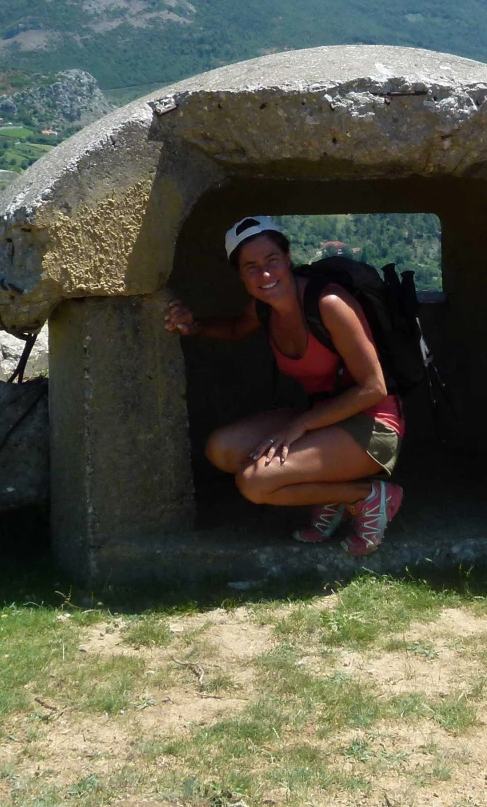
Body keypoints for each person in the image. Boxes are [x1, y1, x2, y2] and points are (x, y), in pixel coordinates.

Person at [164, 216, 404, 555]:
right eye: (251, 267)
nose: (264, 274)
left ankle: (368, 496)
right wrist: (193, 326)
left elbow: (373, 388)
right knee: (222, 449)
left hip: (373, 425)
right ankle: (332, 496)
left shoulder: (329, 304)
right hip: (322, 417)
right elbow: (235, 329)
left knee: (254, 483)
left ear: (287, 258)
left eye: (271, 260)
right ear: (240, 275)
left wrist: (299, 425)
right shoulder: (262, 309)